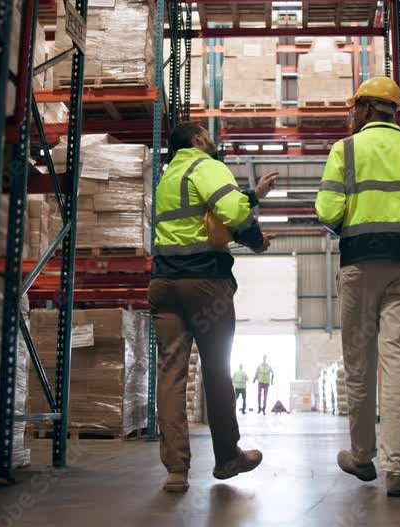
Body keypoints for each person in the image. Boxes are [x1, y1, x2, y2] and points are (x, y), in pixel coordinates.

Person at [314, 77, 400, 498]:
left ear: (368, 109)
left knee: (359, 363)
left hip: (359, 265)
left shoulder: (345, 150)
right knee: (396, 363)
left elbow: (326, 209)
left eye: (355, 108)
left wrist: (352, 220)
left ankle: (361, 454)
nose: (351, 115)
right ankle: (396, 470)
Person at [148, 122, 278, 493]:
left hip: (163, 284)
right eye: (207, 133)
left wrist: (252, 194)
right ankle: (226, 458)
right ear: (198, 139)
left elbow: (205, 213)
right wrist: (255, 242)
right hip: (205, 284)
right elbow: (233, 215)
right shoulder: (205, 165)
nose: (212, 139)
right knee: (217, 369)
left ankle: (176, 470)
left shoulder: (167, 178)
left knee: (171, 373)